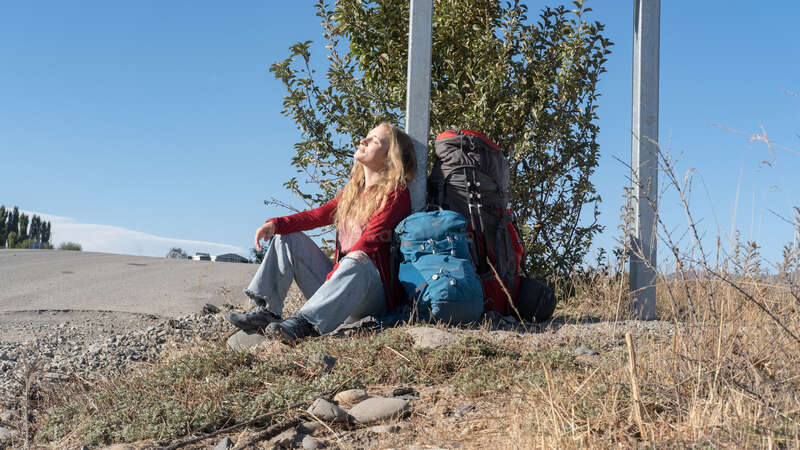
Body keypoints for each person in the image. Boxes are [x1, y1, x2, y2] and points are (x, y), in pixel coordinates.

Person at [226, 123, 416, 344]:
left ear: (389, 157)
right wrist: (276, 224)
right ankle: (267, 310)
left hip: (369, 296)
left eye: (374, 140)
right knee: (287, 238)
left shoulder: (396, 194)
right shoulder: (352, 193)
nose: (363, 141)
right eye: (366, 136)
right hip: (336, 288)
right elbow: (317, 216)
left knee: (358, 258)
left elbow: (370, 242)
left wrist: (332, 277)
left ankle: (305, 324)